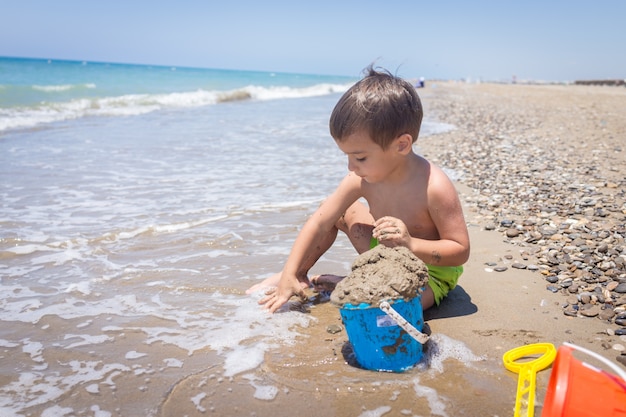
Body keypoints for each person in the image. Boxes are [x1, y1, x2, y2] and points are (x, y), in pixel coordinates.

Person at [246, 66, 470, 313]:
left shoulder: (434, 187)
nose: (351, 166)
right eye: (347, 156)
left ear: (402, 145)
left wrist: (410, 244)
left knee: (390, 308)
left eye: (360, 157)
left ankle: (353, 282)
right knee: (338, 210)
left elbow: (460, 251)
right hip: (384, 253)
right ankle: (297, 277)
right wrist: (290, 270)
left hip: (428, 272)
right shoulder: (360, 179)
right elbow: (319, 223)